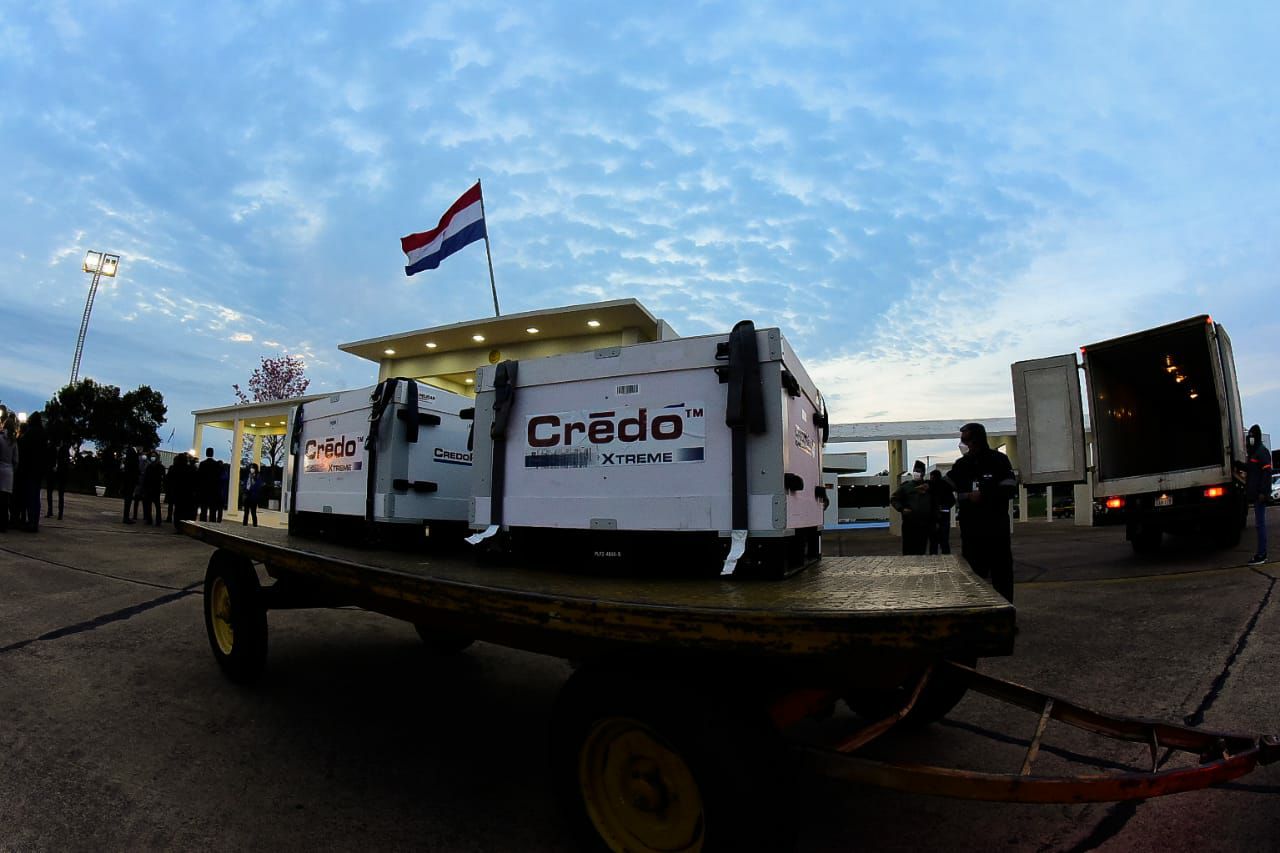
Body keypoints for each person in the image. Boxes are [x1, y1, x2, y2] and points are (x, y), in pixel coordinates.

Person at [945, 422, 1018, 602]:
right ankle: (977, 610)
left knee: (1002, 575)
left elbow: (1010, 489)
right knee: (973, 578)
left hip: (996, 531)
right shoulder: (962, 465)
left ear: (976, 440)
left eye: (965, 440)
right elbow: (945, 487)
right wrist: (928, 488)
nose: (962, 444)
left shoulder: (999, 460)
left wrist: (985, 494)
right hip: (971, 533)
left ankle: (1005, 610)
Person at [890, 460, 932, 555]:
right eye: (915, 471)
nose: (916, 473)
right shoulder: (906, 486)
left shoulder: (929, 487)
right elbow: (894, 499)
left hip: (924, 524)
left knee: (921, 550)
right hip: (909, 523)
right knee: (908, 551)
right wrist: (901, 509)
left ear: (923, 473)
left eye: (919, 471)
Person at [1244, 424, 1271, 566]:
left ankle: (1262, 554)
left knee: (1260, 525)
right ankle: (1261, 553)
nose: (1250, 439)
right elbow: (1251, 470)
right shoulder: (1254, 452)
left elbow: (1266, 473)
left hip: (1260, 495)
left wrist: (1263, 492)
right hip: (1256, 494)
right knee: (1259, 525)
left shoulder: (1261, 452)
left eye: (1252, 436)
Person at [17, 412, 47, 533]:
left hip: (29, 469)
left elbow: (24, 448)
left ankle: (30, 522)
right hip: (39, 470)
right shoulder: (43, 434)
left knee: (30, 496)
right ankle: (35, 522)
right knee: (36, 497)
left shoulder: (30, 433)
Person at [928, 469, 955, 555]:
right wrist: (945, 507)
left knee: (933, 541)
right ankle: (947, 557)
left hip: (933, 517)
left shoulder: (931, 487)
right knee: (944, 540)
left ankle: (933, 557)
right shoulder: (946, 486)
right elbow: (952, 501)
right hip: (944, 516)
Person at [0, 415, 16, 532]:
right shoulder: (14, 441)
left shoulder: (0, 438)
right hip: (9, 471)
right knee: (6, 500)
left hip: (0, 469)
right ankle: (4, 523)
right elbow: (16, 460)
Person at [46, 440, 69, 520]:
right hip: (52, 472)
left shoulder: (64, 449)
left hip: (61, 473)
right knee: (49, 492)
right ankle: (50, 511)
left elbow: (66, 462)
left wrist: (59, 468)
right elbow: (48, 459)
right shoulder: (51, 448)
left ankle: (60, 513)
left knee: (60, 494)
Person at [198, 448, 221, 522]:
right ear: (213, 454)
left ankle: (202, 522)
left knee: (203, 509)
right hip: (213, 490)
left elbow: (199, 477)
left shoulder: (202, 464)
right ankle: (212, 523)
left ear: (206, 453)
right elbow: (218, 478)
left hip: (204, 490)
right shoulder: (216, 464)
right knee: (213, 510)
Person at [143, 453, 165, 527]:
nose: (153, 457)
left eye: (154, 456)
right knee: (148, 505)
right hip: (149, 488)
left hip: (156, 488)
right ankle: (149, 520)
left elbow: (162, 478)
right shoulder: (149, 466)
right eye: (152, 456)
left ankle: (158, 521)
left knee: (157, 505)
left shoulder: (161, 467)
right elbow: (146, 477)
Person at [121, 446, 140, 524]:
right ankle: (126, 517)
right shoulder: (132, 453)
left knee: (128, 498)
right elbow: (133, 467)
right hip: (130, 479)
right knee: (128, 498)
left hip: (128, 479)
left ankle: (126, 517)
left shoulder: (131, 452)